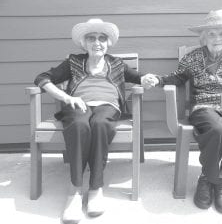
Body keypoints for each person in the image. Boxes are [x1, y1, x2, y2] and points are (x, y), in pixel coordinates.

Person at [147, 9, 222, 214]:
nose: (217, 38)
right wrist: (158, 80)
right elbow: (177, 78)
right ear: (203, 37)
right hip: (204, 105)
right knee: (216, 130)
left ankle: (219, 178)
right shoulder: (193, 57)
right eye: (211, 34)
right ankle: (209, 178)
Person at [34, 18, 153, 223]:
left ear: (108, 43)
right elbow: (42, 78)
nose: (97, 42)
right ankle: (75, 192)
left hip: (108, 106)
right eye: (91, 38)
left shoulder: (116, 63)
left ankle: (96, 187)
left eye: (102, 38)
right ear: (84, 43)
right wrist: (67, 98)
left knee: (100, 124)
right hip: (78, 104)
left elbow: (139, 77)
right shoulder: (73, 62)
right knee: (80, 125)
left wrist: (147, 79)